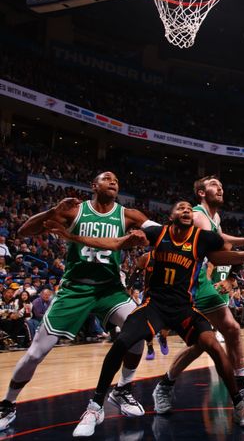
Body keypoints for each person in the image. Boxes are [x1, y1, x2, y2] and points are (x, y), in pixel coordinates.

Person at [45, 201, 244, 436]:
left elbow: (224, 254)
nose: (186, 210)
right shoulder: (158, 233)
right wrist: (71, 237)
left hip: (184, 308)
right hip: (154, 306)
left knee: (213, 345)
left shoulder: (202, 238)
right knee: (123, 342)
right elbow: (116, 243)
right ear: (171, 215)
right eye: (181, 208)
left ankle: (239, 405)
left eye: (188, 209)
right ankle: (95, 407)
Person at [0, 172, 156, 432]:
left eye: (116, 180)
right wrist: (52, 210)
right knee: (36, 353)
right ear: (94, 186)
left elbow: (158, 232)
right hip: (76, 289)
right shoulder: (74, 211)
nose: (113, 182)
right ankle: (8, 404)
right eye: (107, 179)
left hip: (110, 290)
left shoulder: (129, 215)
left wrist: (144, 238)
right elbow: (24, 231)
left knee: (140, 327)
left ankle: (124, 388)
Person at [150, 176, 244, 413]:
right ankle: (163, 386)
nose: (221, 188)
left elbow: (222, 239)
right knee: (203, 342)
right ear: (201, 193)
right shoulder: (197, 215)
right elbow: (219, 252)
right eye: (215, 185)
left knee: (230, 330)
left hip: (200, 281)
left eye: (222, 185)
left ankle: (242, 385)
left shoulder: (214, 217)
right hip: (183, 282)